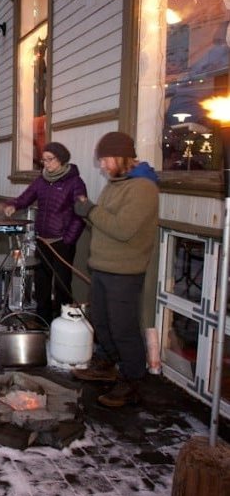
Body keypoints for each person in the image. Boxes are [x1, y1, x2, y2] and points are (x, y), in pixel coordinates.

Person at [72, 131, 159, 408]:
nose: (102, 166)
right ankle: (107, 364)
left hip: (125, 271)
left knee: (123, 328)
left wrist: (90, 210)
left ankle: (133, 381)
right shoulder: (116, 183)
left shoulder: (142, 187)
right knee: (99, 319)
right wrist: (87, 214)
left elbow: (122, 229)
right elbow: (102, 222)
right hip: (102, 267)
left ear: (121, 157)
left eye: (105, 160)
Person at [1, 142, 87, 326]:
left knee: (62, 283)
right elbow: (26, 196)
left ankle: (63, 322)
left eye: (50, 159)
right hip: (42, 239)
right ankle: (42, 319)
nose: (46, 164)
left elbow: (80, 215)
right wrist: (13, 205)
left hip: (61, 242)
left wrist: (68, 239)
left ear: (62, 160)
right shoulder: (42, 180)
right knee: (42, 282)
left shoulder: (75, 182)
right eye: (44, 160)